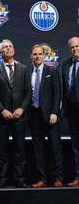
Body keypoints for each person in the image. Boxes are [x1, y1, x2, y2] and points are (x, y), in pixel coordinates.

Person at [0, 39, 32, 188]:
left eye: (10, 46)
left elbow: (28, 92)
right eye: (5, 47)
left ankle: (19, 179)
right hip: (2, 117)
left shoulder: (24, 69)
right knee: (2, 150)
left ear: (14, 50)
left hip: (20, 116)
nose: (8, 49)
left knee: (20, 149)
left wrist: (21, 109)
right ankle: (2, 179)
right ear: (0, 53)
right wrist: (3, 110)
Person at [28, 44, 63, 188]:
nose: (37, 56)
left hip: (50, 116)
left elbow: (57, 93)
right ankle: (43, 178)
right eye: (34, 54)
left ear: (44, 56)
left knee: (55, 148)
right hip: (34, 115)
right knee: (38, 149)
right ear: (31, 56)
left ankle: (58, 178)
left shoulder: (52, 71)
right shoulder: (27, 72)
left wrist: (55, 112)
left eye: (40, 54)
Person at [60, 36, 79, 187]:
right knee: (76, 146)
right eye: (72, 47)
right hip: (72, 111)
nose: (75, 49)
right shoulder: (65, 65)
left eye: (77, 46)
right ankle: (78, 177)